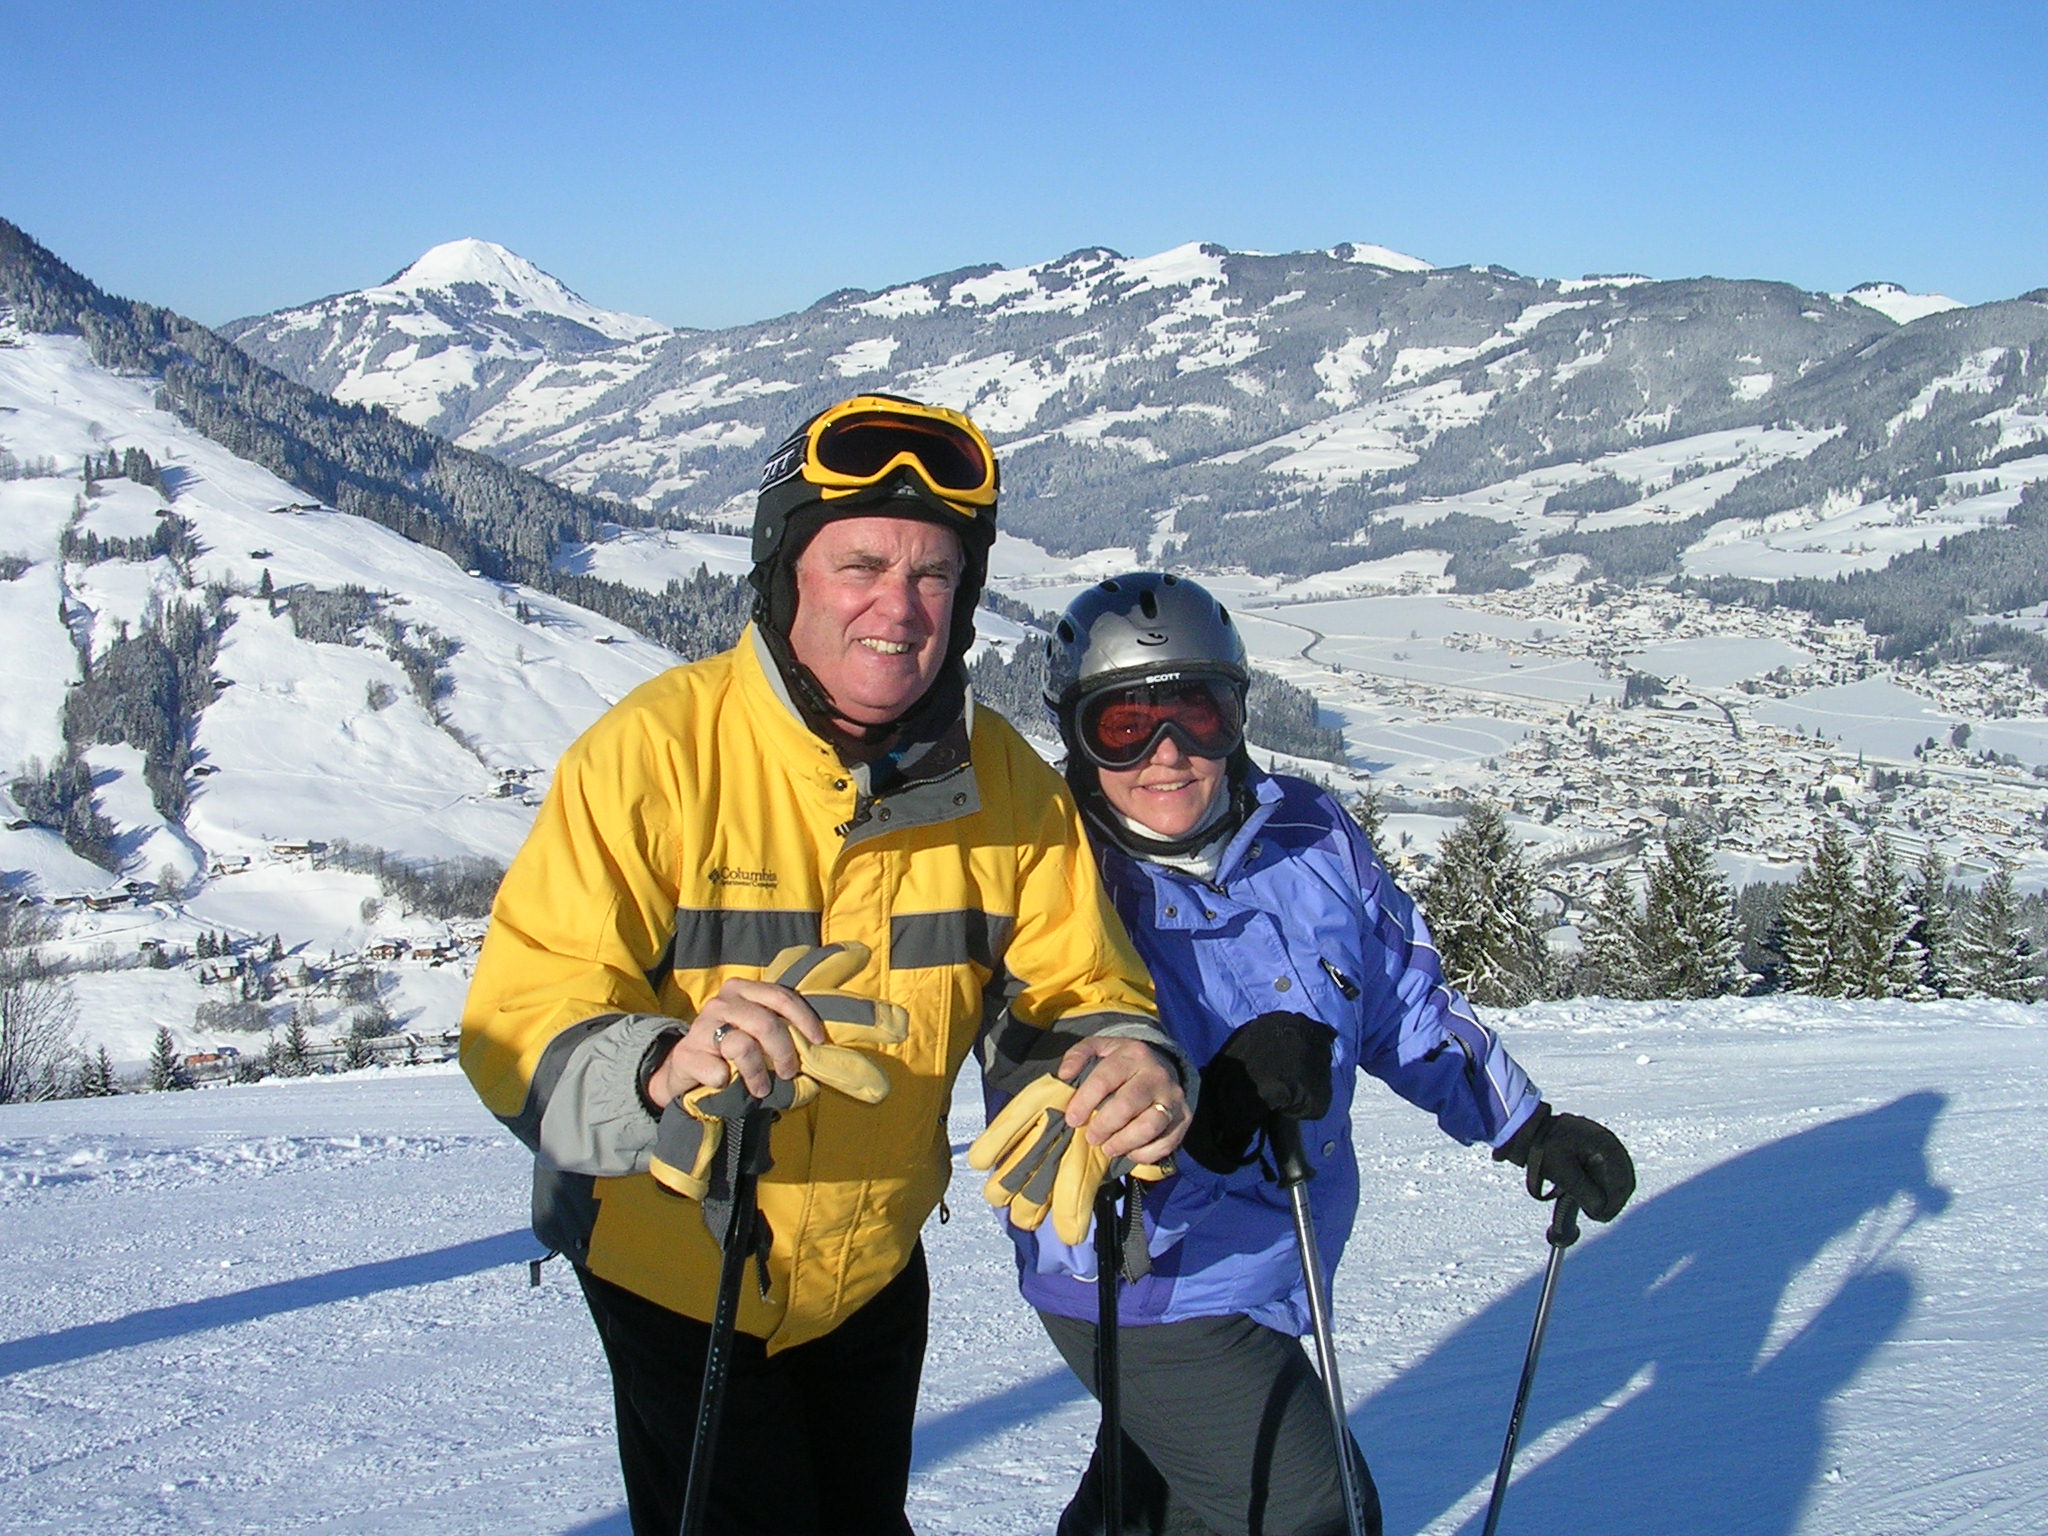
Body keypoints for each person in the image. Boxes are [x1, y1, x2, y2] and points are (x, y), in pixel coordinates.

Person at [460, 396, 1191, 1536]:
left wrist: (1124, 1060)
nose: (897, 609)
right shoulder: (654, 755)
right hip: (675, 1279)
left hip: (872, 1274)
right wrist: (662, 1066)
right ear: (784, 574)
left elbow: (1081, 987)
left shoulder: (1002, 784)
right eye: (859, 563)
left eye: (934, 575)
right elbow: (518, 1020)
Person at [991, 571, 1635, 1536]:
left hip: (1280, 1255)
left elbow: (1402, 1004)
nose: (1169, 754)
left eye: (1200, 715)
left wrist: (1525, 1127)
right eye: (1124, 724)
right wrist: (1211, 1121)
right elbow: (1053, 1145)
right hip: (1145, 1285)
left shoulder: (1309, 834)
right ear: (1076, 734)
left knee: (1161, 1506)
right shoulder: (1053, 880)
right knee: (1315, 1511)